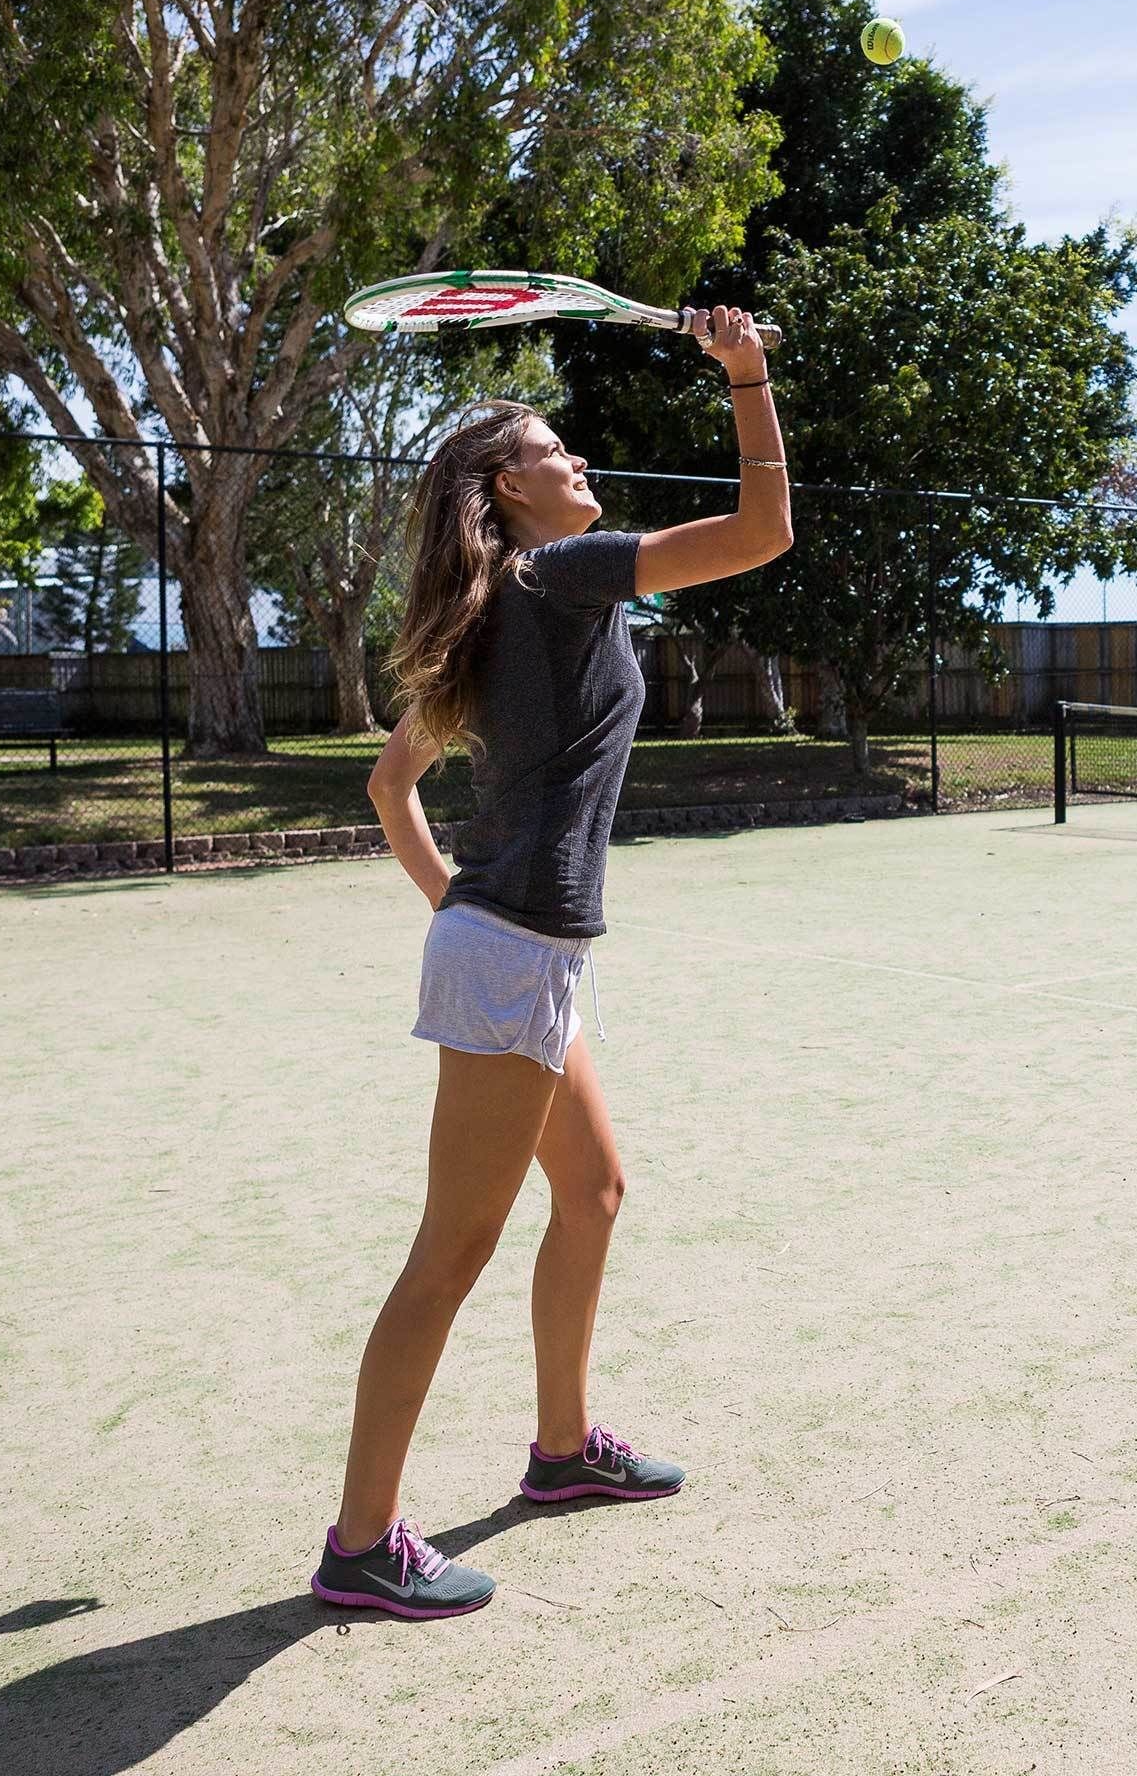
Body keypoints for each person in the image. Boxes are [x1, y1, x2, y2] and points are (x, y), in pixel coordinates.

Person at [310, 309, 790, 1619]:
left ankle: (565, 1452)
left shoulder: (500, 604)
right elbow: (760, 536)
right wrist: (746, 378)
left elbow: (388, 782)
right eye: (553, 448)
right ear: (507, 487)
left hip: (517, 949)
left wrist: (454, 915)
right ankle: (361, 1543)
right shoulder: (559, 576)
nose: (576, 461)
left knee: (593, 1192)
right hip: (511, 951)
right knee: (452, 1250)